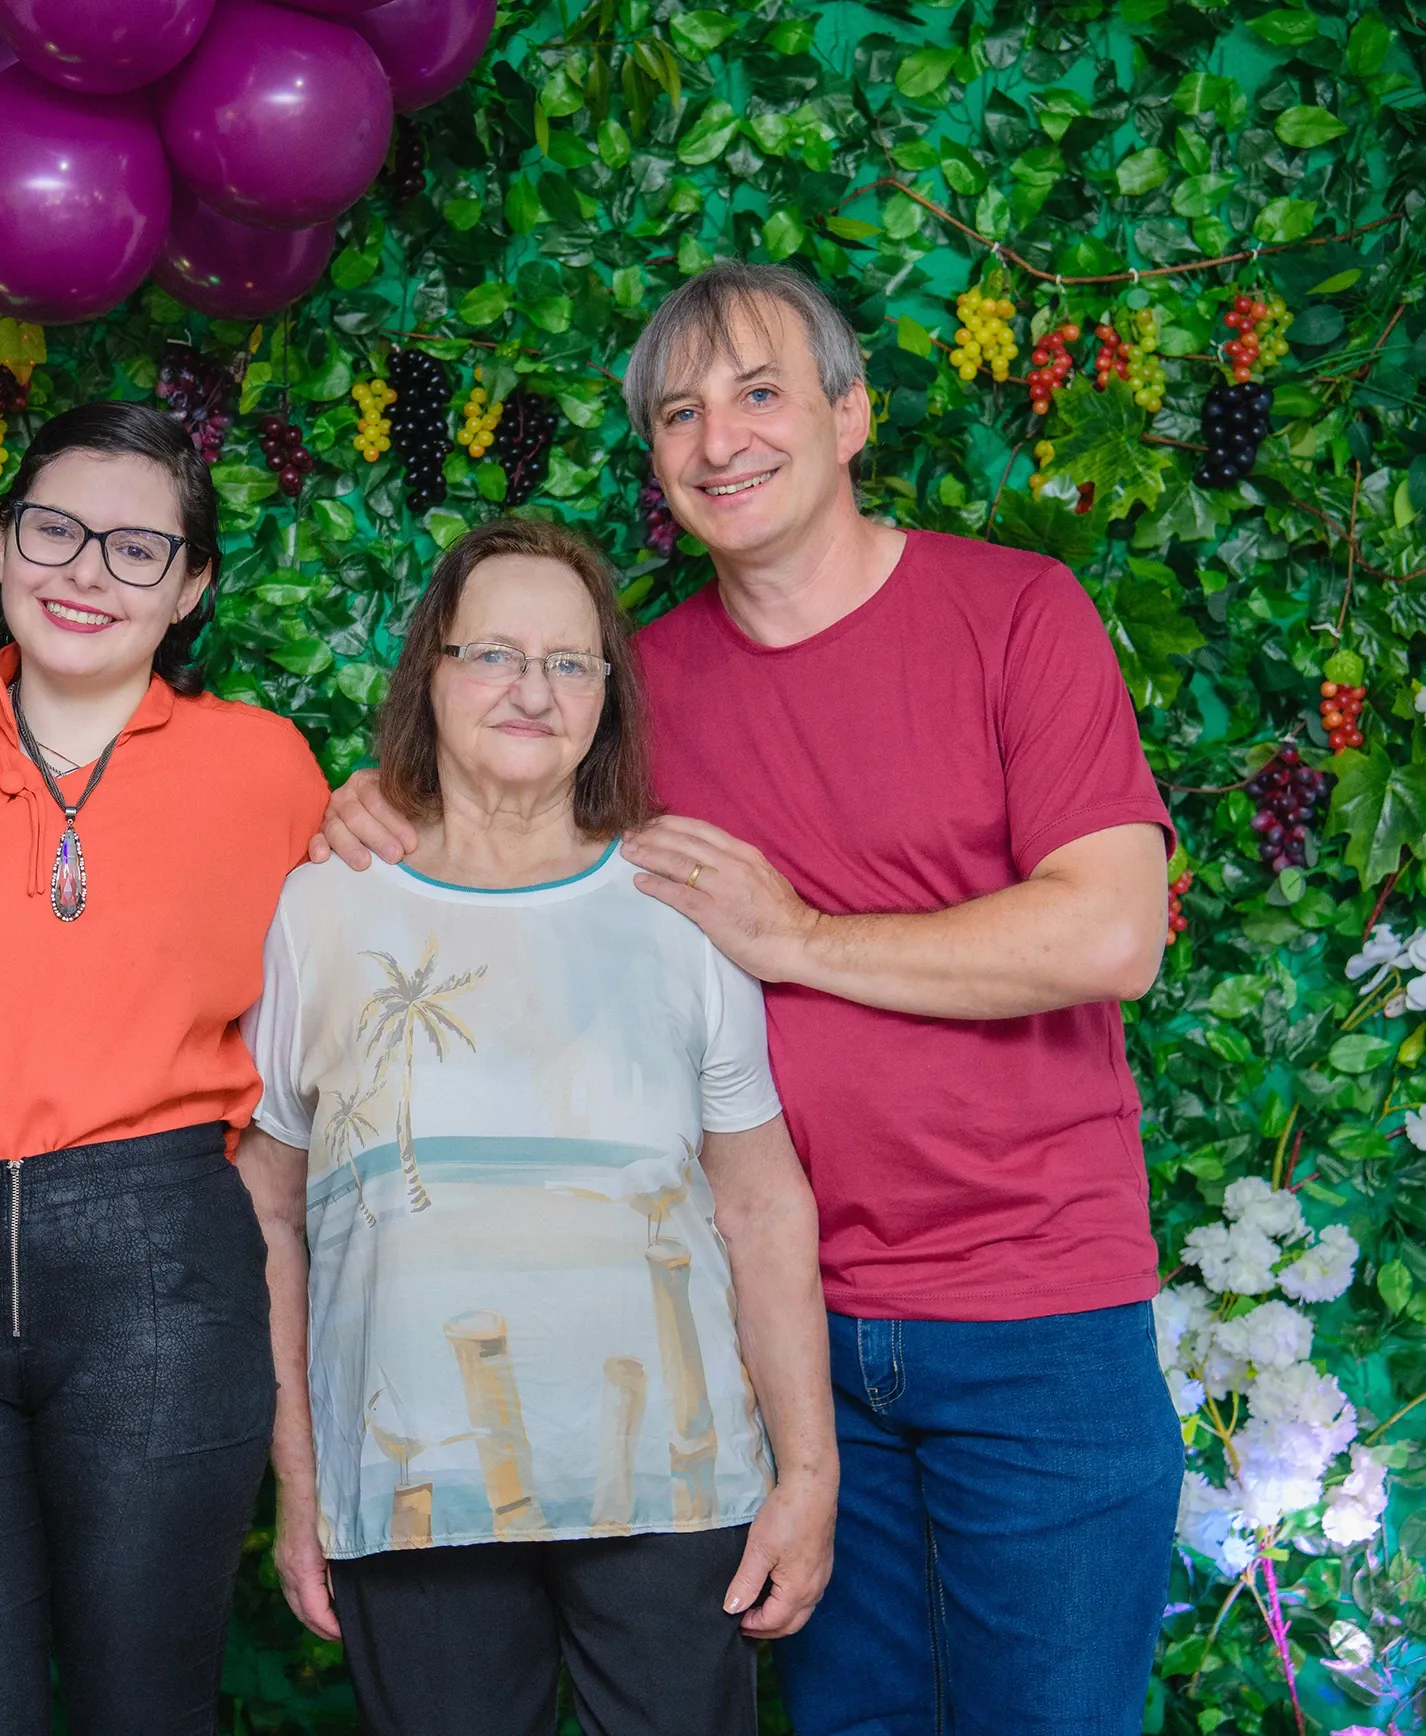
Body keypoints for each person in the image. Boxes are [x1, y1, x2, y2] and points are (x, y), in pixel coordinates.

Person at [321, 261, 1183, 1734]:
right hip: (773, 1345)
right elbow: (502, 843)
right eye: (678, 413)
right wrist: (378, 809)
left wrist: (794, 937)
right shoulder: (634, 691)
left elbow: (1108, 935)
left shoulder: (1013, 612)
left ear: (850, 417)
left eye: (760, 392)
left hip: (1033, 1324)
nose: (720, 438)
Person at [240, 516, 835, 1736]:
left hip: (675, 1495)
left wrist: (808, 1472)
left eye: (571, 662)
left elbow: (761, 1202)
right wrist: (300, 1481)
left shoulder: (678, 906)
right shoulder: (320, 908)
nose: (533, 688)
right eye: (495, 652)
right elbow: (266, 1211)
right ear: (432, 673)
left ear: (607, 697)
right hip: (412, 1496)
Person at [0, 401, 330, 1736]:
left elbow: (347, 1005)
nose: (85, 571)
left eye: (136, 549)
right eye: (54, 529)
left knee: (141, 1711)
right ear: (0, 544)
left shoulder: (265, 767)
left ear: (191, 587)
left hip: (161, 1259)